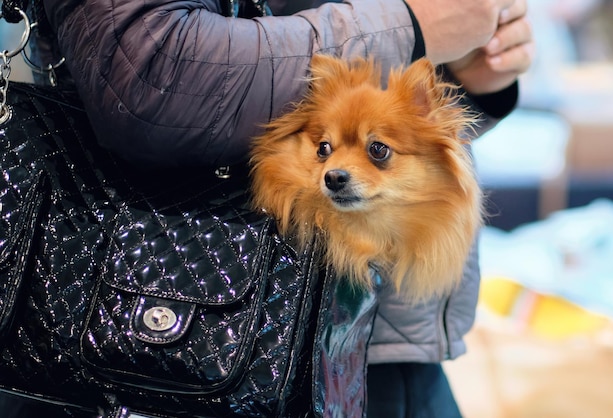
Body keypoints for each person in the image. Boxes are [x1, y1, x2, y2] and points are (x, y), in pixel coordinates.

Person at [0, 0, 533, 416]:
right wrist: (412, 24)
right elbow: (149, 73)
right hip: (183, 329)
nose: (338, 167)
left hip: (387, 340)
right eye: (328, 152)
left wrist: (471, 79)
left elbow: (418, 141)